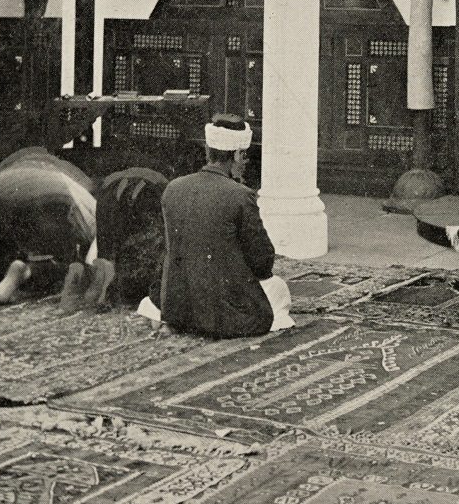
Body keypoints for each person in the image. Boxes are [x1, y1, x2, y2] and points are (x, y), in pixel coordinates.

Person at [159, 117, 292, 339]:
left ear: (208, 151)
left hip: (177, 310)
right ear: (237, 155)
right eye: (244, 156)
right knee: (278, 288)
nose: (245, 163)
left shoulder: (173, 188)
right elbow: (262, 262)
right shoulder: (240, 195)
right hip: (223, 314)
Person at [0, 146, 96, 304]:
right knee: (72, 267)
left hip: (0, 186)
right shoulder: (93, 209)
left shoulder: (78, 188)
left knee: (8, 256)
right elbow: (94, 256)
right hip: (50, 192)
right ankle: (27, 271)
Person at [59, 165, 169, 311]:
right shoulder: (168, 185)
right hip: (148, 189)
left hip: (110, 190)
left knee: (105, 259)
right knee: (156, 249)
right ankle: (109, 293)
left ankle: (94, 286)